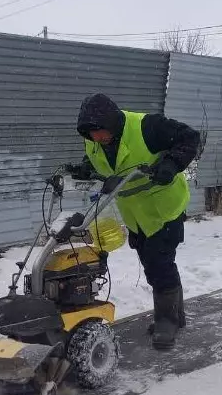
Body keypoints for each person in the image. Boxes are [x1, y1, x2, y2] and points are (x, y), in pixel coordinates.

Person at [65, 93, 200, 350]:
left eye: (101, 132)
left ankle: (167, 321)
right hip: (136, 214)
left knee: (159, 263)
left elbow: (189, 137)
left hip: (163, 208)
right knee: (154, 262)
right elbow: (103, 162)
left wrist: (171, 163)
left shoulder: (147, 127)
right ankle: (176, 316)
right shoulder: (94, 140)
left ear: (113, 122)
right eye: (92, 134)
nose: (98, 138)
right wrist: (85, 168)